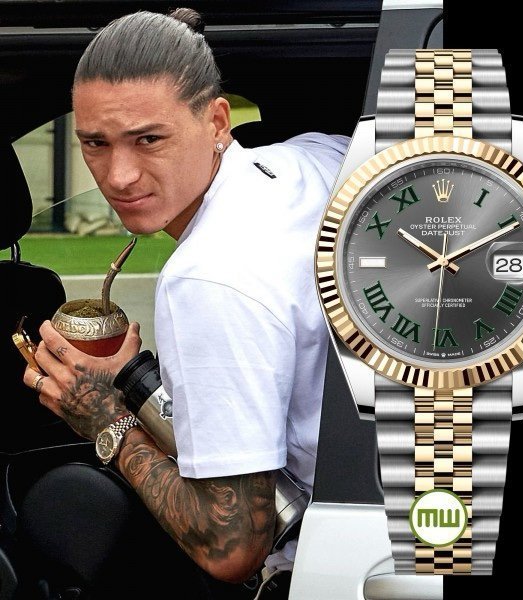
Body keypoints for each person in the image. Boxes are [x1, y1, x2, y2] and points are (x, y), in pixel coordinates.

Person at [22, 7, 349, 599]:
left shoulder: (205, 276)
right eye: (95, 143)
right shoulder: (313, 158)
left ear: (217, 121)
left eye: (149, 139)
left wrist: (106, 420)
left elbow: (232, 547)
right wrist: (130, 377)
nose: (119, 176)